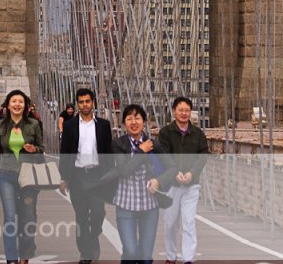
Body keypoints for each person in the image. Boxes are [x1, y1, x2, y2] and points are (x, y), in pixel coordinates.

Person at [111, 103, 175, 264]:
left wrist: (158, 182)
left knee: (146, 257)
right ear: (124, 123)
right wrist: (141, 151)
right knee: (131, 252)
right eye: (129, 118)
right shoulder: (119, 144)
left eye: (137, 118)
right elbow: (124, 170)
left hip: (149, 207)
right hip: (126, 205)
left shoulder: (154, 144)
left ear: (144, 122)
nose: (134, 122)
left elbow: (172, 168)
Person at [0, 88, 44, 264]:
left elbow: (41, 151)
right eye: (14, 101)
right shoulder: (1, 126)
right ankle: (11, 259)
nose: (17, 104)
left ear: (25, 105)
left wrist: (34, 149)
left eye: (20, 101)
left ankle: (25, 254)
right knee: (10, 217)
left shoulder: (33, 125)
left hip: (29, 177)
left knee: (28, 217)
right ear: (8, 105)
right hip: (7, 176)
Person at [59, 88, 112, 264]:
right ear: (77, 104)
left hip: (97, 176)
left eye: (87, 101)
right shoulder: (70, 126)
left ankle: (93, 234)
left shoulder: (104, 126)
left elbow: (108, 153)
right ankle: (85, 253)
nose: (84, 105)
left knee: (98, 212)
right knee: (81, 217)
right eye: (81, 102)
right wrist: (63, 178)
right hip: (77, 177)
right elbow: (65, 152)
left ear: (93, 102)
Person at [158, 96, 208, 264]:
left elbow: (201, 157)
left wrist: (192, 174)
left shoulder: (198, 134)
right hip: (172, 185)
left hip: (191, 185)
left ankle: (188, 259)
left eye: (187, 110)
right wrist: (175, 173)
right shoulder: (165, 132)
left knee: (188, 221)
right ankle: (171, 257)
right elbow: (163, 155)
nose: (184, 113)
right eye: (181, 110)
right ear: (174, 112)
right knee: (170, 223)